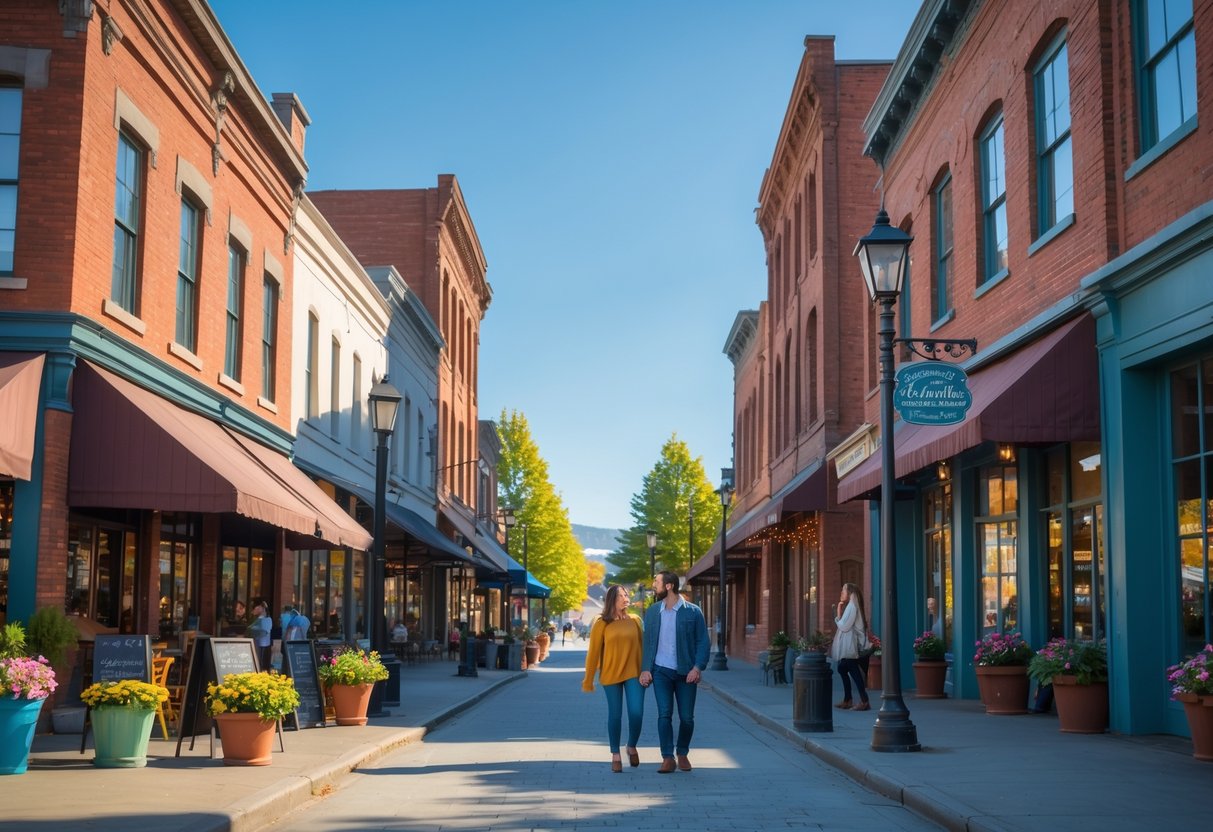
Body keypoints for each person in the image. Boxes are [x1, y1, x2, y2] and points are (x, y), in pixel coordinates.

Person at [639, 571, 710, 774]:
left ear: (669, 586)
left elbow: (702, 642)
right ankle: (668, 757)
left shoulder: (693, 612)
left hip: (685, 672)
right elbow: (648, 643)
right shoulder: (653, 612)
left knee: (687, 717)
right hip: (661, 671)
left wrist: (697, 668)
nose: (653, 585)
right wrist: (645, 669)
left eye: (656, 581)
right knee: (664, 714)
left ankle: (682, 752)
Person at [582, 585, 645, 773]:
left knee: (636, 713)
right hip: (610, 675)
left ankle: (631, 745)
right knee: (615, 715)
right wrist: (588, 679)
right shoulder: (601, 623)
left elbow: (644, 648)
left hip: (634, 672)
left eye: (626, 594)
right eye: (621, 595)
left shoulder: (635, 620)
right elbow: (593, 653)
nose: (625, 597)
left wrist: (647, 670)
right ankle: (615, 754)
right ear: (612, 600)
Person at [830, 582, 871, 711]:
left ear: (850, 592)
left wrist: (837, 615)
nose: (841, 593)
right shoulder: (851, 606)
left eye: (843, 590)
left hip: (850, 645)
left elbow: (844, 626)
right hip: (849, 644)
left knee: (851, 670)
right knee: (842, 668)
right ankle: (848, 699)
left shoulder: (852, 606)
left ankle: (863, 701)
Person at [247, 599, 272, 670]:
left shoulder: (265, 620)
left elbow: (263, 630)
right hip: (258, 643)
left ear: (262, 608)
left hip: (262, 644)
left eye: (256, 607)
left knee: (260, 662)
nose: (254, 609)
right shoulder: (259, 619)